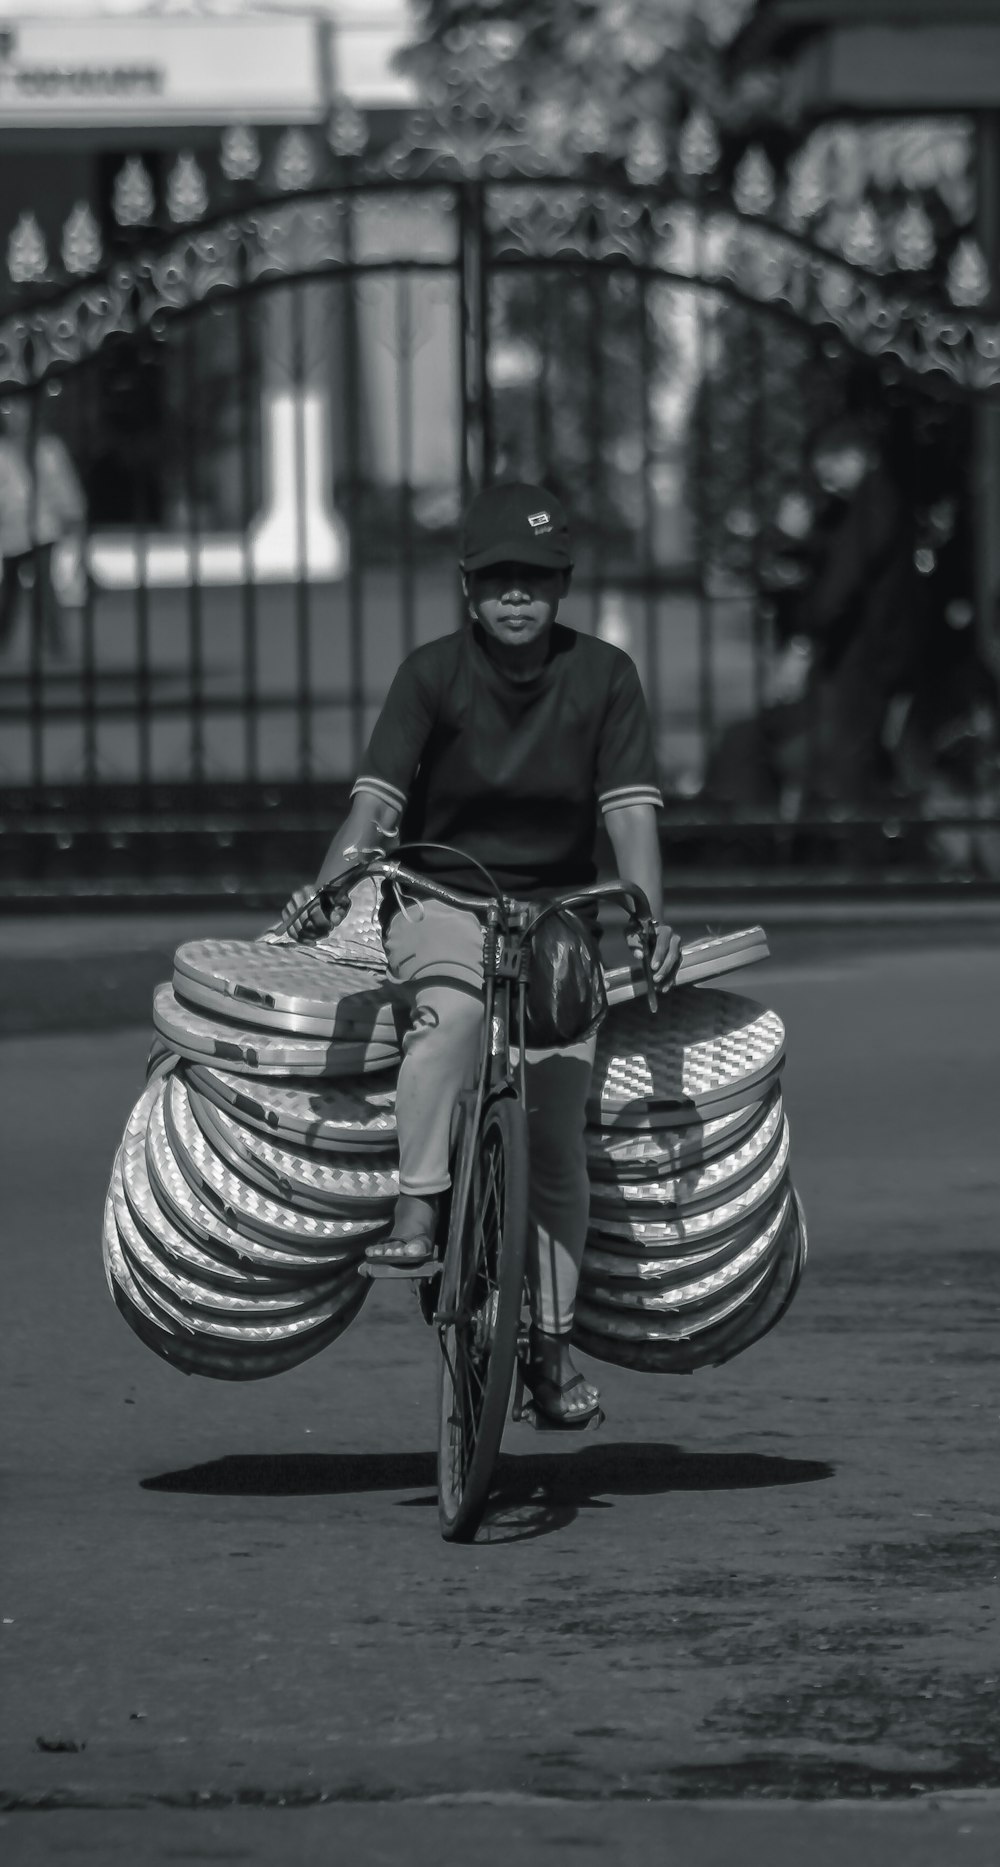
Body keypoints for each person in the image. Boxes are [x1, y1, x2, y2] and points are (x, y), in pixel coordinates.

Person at [284, 481, 680, 1427]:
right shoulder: (431, 675)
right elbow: (376, 806)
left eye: (536, 580)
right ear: (468, 586)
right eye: (498, 578)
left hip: (559, 917)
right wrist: (330, 881)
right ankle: (420, 1208)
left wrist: (649, 920)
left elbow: (629, 815)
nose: (516, 596)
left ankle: (548, 1339)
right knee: (452, 1016)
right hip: (439, 895)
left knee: (554, 1129)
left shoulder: (606, 677)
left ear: (564, 587)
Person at [0, 401, 87, 659]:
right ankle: (7, 638)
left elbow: (64, 483)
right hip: (12, 528)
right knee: (11, 590)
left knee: (44, 586)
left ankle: (55, 642)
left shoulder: (48, 449)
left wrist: (74, 514)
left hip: (42, 526)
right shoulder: (4, 451)